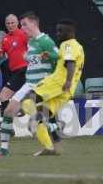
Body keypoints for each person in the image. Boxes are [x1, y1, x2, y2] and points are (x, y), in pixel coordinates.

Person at [0, 12, 59, 157]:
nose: (22, 28)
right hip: (29, 83)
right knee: (8, 111)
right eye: (21, 25)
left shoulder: (45, 40)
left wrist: (44, 58)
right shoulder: (31, 42)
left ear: (34, 24)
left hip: (41, 84)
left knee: (33, 116)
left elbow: (58, 56)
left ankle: (52, 132)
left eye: (24, 25)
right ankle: (3, 150)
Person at [21, 19, 85, 156]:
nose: (58, 33)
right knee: (41, 112)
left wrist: (67, 80)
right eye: (57, 30)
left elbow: (70, 63)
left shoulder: (68, 45)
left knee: (27, 99)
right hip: (68, 90)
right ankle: (49, 147)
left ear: (70, 32)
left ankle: (44, 123)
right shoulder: (78, 46)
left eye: (60, 31)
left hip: (57, 83)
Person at [0, 14, 28, 116]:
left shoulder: (24, 34)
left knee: (3, 96)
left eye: (12, 23)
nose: (10, 25)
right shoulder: (5, 39)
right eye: (8, 23)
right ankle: (13, 114)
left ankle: (9, 115)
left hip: (24, 70)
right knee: (4, 97)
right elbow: (1, 54)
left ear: (17, 23)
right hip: (14, 72)